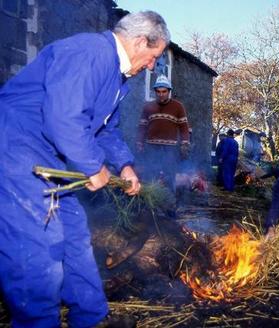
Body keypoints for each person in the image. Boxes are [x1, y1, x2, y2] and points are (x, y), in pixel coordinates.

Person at [0, 11, 169, 327]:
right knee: (37, 242)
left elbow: (106, 130)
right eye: (154, 57)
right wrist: (93, 165)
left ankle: (90, 317)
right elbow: (63, 117)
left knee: (75, 233)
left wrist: (125, 165)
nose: (151, 66)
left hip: (50, 158)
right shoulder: (89, 53)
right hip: (16, 149)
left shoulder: (117, 80)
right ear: (140, 41)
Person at [136, 75, 190, 215]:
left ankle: (169, 208)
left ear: (169, 91)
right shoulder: (148, 107)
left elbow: (184, 127)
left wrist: (184, 144)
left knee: (169, 178)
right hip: (151, 148)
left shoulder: (178, 106)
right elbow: (142, 127)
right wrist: (139, 143)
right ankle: (150, 207)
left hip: (170, 149)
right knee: (150, 177)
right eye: (158, 91)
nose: (161, 94)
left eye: (164, 91)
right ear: (155, 92)